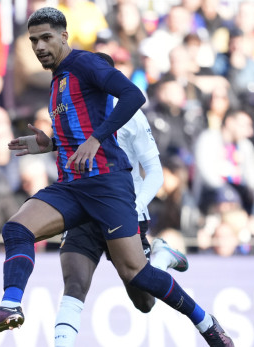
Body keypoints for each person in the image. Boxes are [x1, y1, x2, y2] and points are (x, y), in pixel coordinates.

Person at [0, 8, 233, 346]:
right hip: (72, 187)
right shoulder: (58, 80)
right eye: (34, 40)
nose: (39, 46)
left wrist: (97, 138)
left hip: (108, 185)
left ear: (64, 36)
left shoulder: (86, 64)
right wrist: (49, 144)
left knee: (138, 281)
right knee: (18, 229)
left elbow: (135, 95)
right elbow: (78, 131)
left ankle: (207, 323)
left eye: (46, 37)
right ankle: (9, 305)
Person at [54, 52, 188, 347]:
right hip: (85, 207)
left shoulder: (130, 115)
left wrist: (133, 206)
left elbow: (155, 172)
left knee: (144, 301)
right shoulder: (70, 111)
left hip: (123, 210)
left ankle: (161, 258)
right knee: (74, 283)